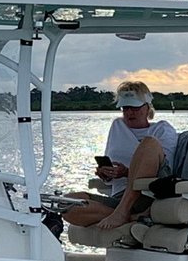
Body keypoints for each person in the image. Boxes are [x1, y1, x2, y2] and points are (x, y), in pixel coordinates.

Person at [66, 79, 177, 232]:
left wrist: (126, 172)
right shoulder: (118, 126)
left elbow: (164, 172)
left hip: (148, 196)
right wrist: (106, 174)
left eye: (134, 108)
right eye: (125, 108)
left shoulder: (162, 129)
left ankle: (123, 211)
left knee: (149, 143)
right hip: (118, 197)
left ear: (147, 107)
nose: (129, 112)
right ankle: (133, 216)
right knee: (66, 203)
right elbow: (111, 170)